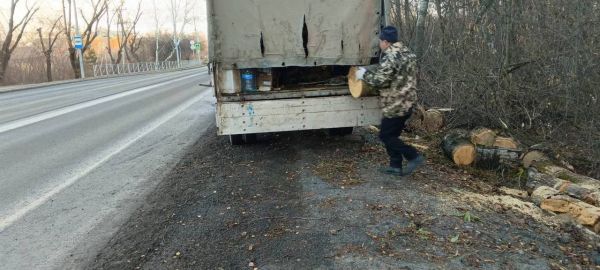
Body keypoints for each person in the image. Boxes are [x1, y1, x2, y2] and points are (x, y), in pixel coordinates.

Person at [356, 26, 424, 176]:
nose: (380, 44)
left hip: (396, 105)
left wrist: (363, 75)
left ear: (385, 42)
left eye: (380, 41)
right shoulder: (408, 53)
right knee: (392, 136)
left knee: (385, 136)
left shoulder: (391, 56)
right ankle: (395, 166)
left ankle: (414, 156)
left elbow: (380, 80)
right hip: (408, 102)